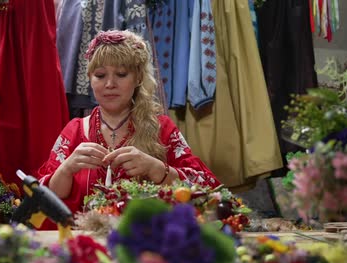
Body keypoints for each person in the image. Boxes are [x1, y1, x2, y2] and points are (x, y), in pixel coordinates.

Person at [36, 30, 220, 229]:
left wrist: (157, 169)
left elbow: (208, 188)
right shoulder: (75, 130)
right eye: (100, 75)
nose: (110, 84)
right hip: (87, 245)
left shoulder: (162, 128)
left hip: (147, 245)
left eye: (121, 74)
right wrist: (67, 169)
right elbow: (43, 199)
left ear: (138, 78)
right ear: (90, 79)